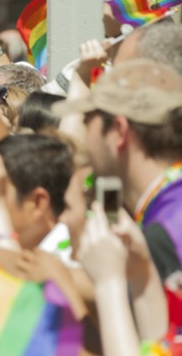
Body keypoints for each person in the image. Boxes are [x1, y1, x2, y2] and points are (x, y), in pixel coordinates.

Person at [57, 58, 182, 277]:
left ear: (119, 130)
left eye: (87, 122)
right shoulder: (167, 206)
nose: (84, 139)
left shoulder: (164, 234)